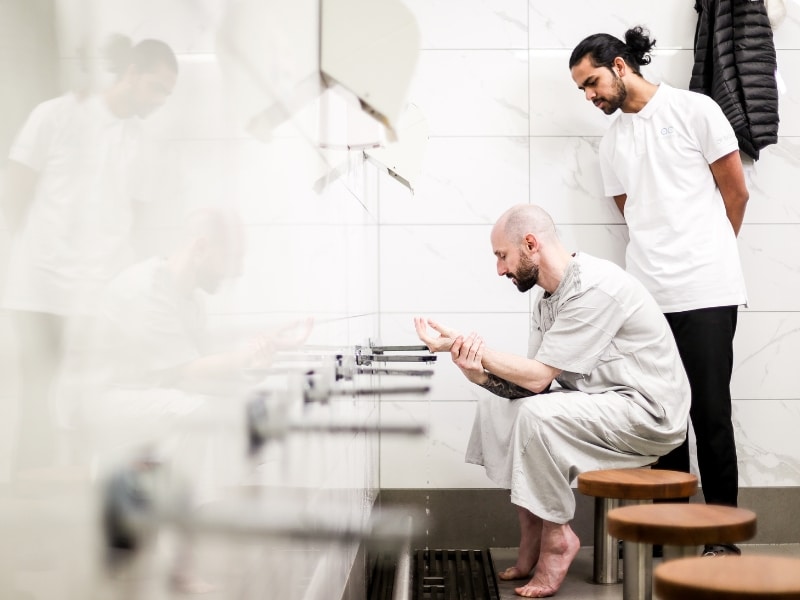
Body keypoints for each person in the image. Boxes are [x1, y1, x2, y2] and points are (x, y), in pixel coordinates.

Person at [414, 204, 690, 598]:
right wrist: (478, 373)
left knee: (537, 418)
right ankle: (531, 526)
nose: (500, 270)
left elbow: (539, 377)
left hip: (648, 414)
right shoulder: (548, 299)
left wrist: (467, 345)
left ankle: (557, 536)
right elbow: (533, 386)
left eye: (502, 256)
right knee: (498, 404)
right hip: (605, 402)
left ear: (530, 244)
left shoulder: (595, 287)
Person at [569, 26, 749, 557]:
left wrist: (705, 253)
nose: (589, 96)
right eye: (581, 89)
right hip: (648, 299)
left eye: (592, 82)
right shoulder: (612, 142)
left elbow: (735, 192)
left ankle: (722, 539)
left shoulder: (695, 110)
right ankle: (670, 529)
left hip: (708, 288)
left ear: (621, 66)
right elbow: (631, 213)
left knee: (710, 413)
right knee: (664, 418)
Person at [1, 35, 179, 476]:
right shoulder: (57, 115)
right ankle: (27, 491)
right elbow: (16, 191)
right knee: (38, 395)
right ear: (132, 73)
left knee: (91, 396)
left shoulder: (142, 144)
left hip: (95, 290)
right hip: (38, 284)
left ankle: (79, 488)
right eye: (156, 87)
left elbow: (136, 221)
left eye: (167, 94)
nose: (159, 100)